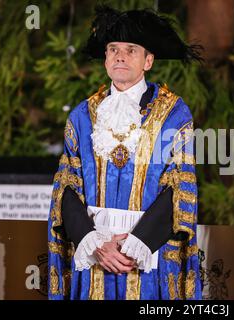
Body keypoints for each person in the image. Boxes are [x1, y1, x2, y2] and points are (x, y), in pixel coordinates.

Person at [47, 6, 203, 300]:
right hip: (94, 253)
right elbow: (66, 187)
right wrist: (95, 244)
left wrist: (137, 245)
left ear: (148, 60)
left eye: (131, 50)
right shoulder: (82, 115)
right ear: (105, 58)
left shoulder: (174, 114)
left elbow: (180, 188)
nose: (120, 55)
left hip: (147, 255)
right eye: (113, 49)